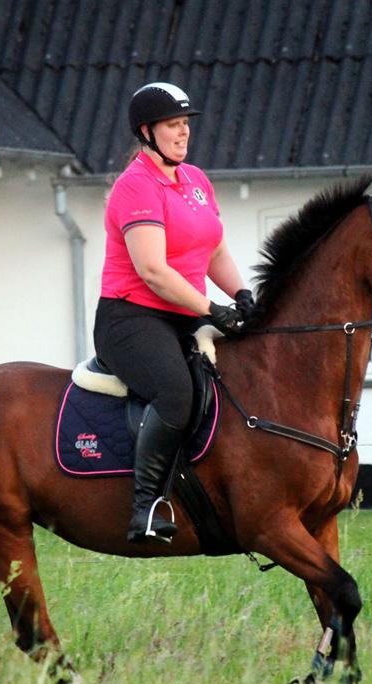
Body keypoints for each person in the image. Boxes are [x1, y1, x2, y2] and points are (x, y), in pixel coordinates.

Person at [93, 82, 256, 544]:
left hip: (186, 314)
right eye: (173, 125)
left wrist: (242, 293)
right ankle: (145, 508)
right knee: (176, 393)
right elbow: (153, 271)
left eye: (186, 124)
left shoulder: (197, 181)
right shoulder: (135, 187)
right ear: (146, 131)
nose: (183, 133)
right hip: (132, 319)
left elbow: (214, 249)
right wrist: (213, 309)